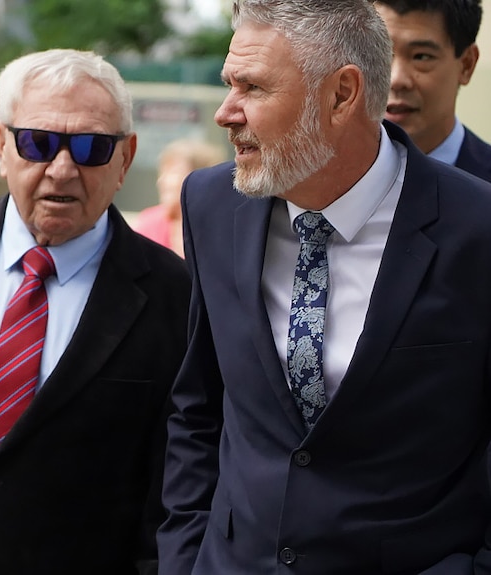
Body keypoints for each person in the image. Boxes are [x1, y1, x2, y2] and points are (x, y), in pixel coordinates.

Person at [158, 0, 491, 573]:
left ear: (342, 94)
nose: (225, 112)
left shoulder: (477, 229)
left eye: (253, 88)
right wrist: (185, 560)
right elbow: (198, 407)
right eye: (227, 84)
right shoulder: (211, 204)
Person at [0, 48, 190, 575]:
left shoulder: (178, 297)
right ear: (1, 144)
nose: (62, 169)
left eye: (91, 148)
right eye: (38, 143)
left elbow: (173, 493)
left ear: (126, 158)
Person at [376, 0, 491, 182]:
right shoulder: (321, 178)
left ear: (466, 65)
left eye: (421, 56)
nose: (396, 79)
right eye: (380, 54)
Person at [134, 138, 225, 258]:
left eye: (173, 173)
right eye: (162, 173)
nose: (162, 181)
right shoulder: (149, 223)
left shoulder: (222, 228)